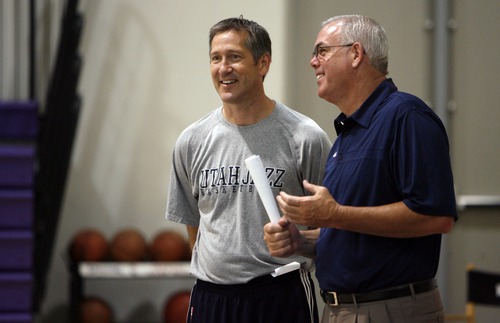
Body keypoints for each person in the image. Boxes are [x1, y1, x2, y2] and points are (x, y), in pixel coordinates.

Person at [263, 15, 458, 323]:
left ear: (355, 54)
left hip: (391, 309)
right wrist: (304, 242)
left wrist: (333, 214)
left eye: (322, 51)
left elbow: (437, 216)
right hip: (341, 310)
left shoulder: (407, 117)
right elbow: (352, 232)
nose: (313, 62)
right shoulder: (348, 133)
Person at [165, 16, 331, 323]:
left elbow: (333, 226)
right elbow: (195, 228)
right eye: (216, 58)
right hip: (211, 298)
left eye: (235, 57)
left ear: (263, 63)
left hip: (279, 294)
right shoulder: (192, 141)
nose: (223, 68)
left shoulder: (305, 137)